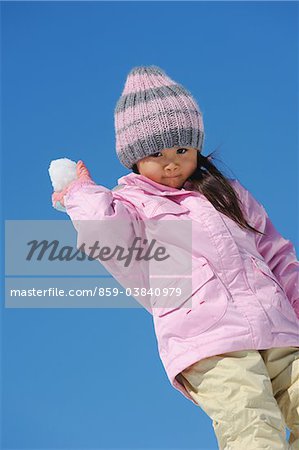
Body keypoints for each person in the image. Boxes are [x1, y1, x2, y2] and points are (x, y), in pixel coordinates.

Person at [49, 66, 299, 449]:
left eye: (182, 150)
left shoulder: (227, 194)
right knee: (252, 426)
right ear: (133, 158)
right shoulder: (133, 204)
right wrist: (80, 194)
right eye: (156, 154)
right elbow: (105, 235)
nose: (171, 163)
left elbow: (277, 254)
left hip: (278, 327)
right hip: (209, 340)